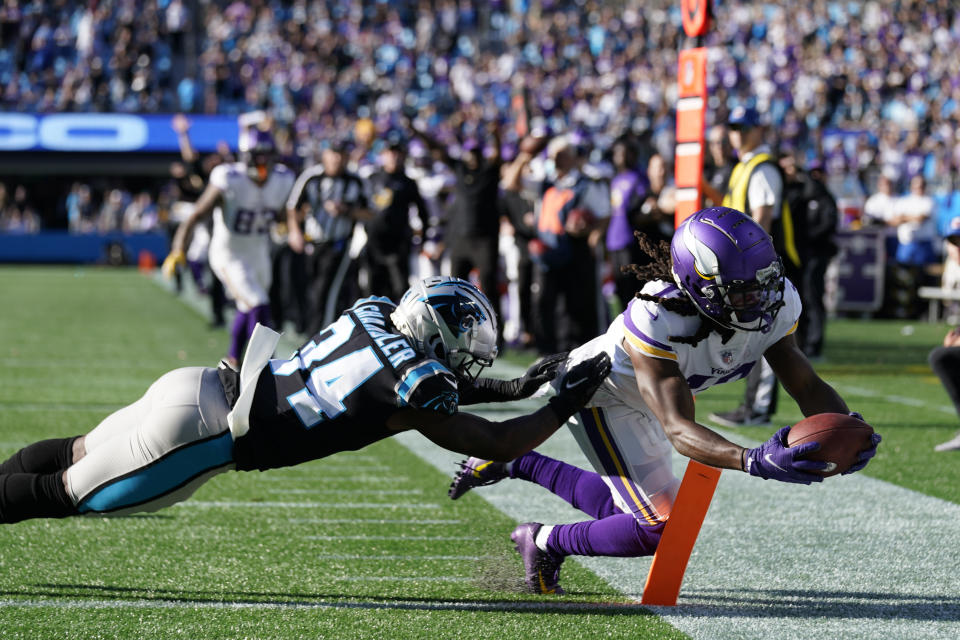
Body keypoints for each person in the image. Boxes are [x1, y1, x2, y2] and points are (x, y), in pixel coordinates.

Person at [448, 207, 881, 595]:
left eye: (766, 283)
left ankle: (516, 463)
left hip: (655, 398)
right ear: (700, 286)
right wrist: (752, 459)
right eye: (744, 291)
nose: (762, 299)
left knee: (640, 509)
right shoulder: (660, 317)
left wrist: (847, 428)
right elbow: (677, 427)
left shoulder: (776, 298)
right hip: (601, 393)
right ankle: (543, 540)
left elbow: (805, 384)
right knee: (664, 526)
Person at [0, 276, 612, 524]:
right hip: (204, 437)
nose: (462, 363)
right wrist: (561, 403)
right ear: (434, 333)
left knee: (69, 452)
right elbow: (497, 442)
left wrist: (513, 386)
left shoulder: (373, 312)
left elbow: (414, 382)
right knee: (67, 494)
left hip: (196, 386)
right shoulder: (414, 387)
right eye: (459, 348)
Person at [163, 129, 296, 368]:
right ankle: (262, 366)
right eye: (258, 156)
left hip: (258, 251)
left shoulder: (282, 179)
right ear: (245, 156)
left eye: (267, 156)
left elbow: (289, 210)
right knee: (258, 304)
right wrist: (178, 249)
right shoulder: (229, 178)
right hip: (228, 253)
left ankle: (232, 358)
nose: (263, 162)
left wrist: (292, 227)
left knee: (248, 306)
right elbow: (196, 215)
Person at [709, 106, 800, 428]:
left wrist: (748, 262)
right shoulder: (745, 166)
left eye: (743, 129)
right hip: (748, 265)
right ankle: (750, 406)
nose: (737, 135)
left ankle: (758, 408)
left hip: (759, 267)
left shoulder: (762, 169)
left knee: (767, 338)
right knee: (755, 336)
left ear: (758, 131)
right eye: (733, 128)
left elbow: (761, 219)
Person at [530, 135, 611, 355]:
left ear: (572, 157)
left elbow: (603, 213)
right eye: (555, 155)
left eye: (562, 154)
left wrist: (593, 232)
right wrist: (526, 154)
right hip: (547, 251)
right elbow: (512, 184)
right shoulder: (546, 182)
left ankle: (579, 350)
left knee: (577, 304)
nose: (557, 159)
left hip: (574, 249)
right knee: (545, 302)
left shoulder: (586, 184)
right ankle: (549, 351)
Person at [286, 143, 372, 336]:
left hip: (338, 244)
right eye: (333, 154)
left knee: (326, 291)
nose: (337, 159)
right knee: (304, 287)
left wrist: (347, 211)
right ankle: (305, 326)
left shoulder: (356, 181)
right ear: (324, 155)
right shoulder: (311, 177)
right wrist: (294, 232)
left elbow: (370, 212)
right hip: (310, 241)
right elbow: (293, 206)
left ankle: (318, 335)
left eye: (341, 154)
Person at [780, 155, 839, 359]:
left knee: (813, 298)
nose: (814, 177)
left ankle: (813, 345)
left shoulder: (820, 195)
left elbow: (827, 224)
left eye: (818, 173)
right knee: (798, 300)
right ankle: (802, 343)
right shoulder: (795, 193)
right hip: (798, 255)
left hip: (815, 255)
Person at [362, 139, 429, 302]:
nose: (394, 157)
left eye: (398, 153)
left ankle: (399, 326)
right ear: (383, 155)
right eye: (390, 153)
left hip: (397, 244)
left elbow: (423, 212)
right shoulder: (372, 178)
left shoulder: (408, 182)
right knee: (372, 289)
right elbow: (361, 207)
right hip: (374, 243)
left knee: (399, 288)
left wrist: (423, 239)